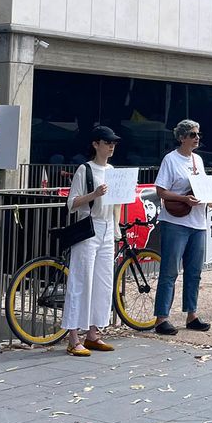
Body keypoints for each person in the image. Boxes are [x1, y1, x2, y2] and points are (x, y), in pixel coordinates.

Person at [56, 126, 121, 355]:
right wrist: (94, 195)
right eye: (107, 142)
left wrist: (116, 230)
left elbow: (117, 204)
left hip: (106, 228)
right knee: (81, 281)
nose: (111, 146)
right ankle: (74, 336)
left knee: (103, 282)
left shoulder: (113, 169)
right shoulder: (85, 170)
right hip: (89, 226)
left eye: (113, 142)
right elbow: (71, 203)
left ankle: (94, 332)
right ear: (96, 144)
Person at [153, 120, 212, 335]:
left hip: (198, 221)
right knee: (169, 271)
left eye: (198, 134)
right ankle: (161, 317)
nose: (196, 137)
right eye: (192, 134)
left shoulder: (198, 160)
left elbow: (201, 188)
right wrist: (184, 198)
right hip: (176, 221)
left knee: (194, 272)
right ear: (181, 137)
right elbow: (161, 191)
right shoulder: (170, 160)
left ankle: (192, 314)